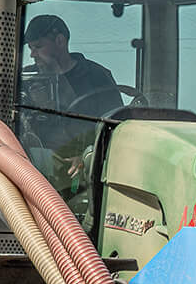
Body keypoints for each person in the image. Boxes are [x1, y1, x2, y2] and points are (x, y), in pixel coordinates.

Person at [20, 14, 125, 183]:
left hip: (85, 170)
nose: (33, 54)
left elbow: (113, 126)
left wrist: (87, 155)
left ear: (60, 41)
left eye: (38, 47)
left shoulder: (97, 77)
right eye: (31, 48)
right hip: (34, 165)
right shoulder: (27, 78)